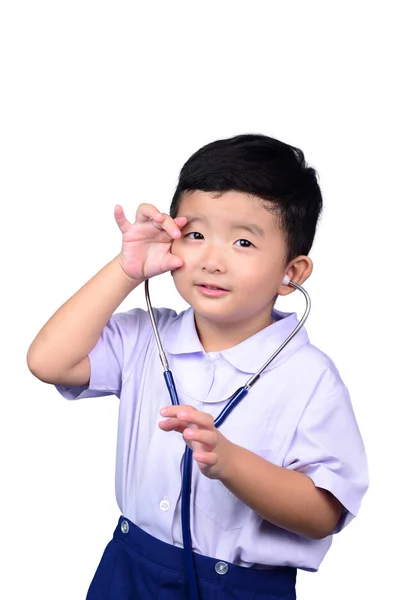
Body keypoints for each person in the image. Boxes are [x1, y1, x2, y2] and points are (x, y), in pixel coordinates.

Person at [27, 134, 368, 600]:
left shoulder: (309, 378)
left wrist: (230, 463)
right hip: (129, 571)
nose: (211, 260)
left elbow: (323, 514)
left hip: (241, 588)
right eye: (196, 235)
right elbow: (48, 362)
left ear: (293, 272)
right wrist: (127, 270)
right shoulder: (146, 337)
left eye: (243, 241)